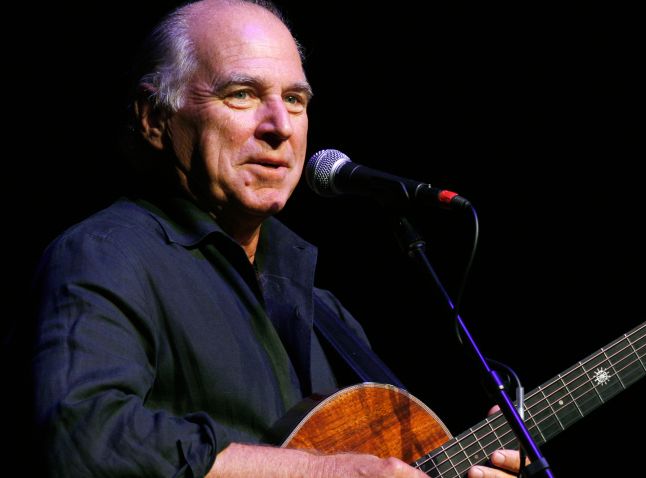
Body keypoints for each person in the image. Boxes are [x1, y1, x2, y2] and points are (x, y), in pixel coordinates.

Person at [30, 0, 524, 476]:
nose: (280, 127)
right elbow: (81, 439)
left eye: (295, 100)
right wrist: (315, 473)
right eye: (241, 94)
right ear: (154, 118)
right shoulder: (105, 255)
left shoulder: (327, 314)